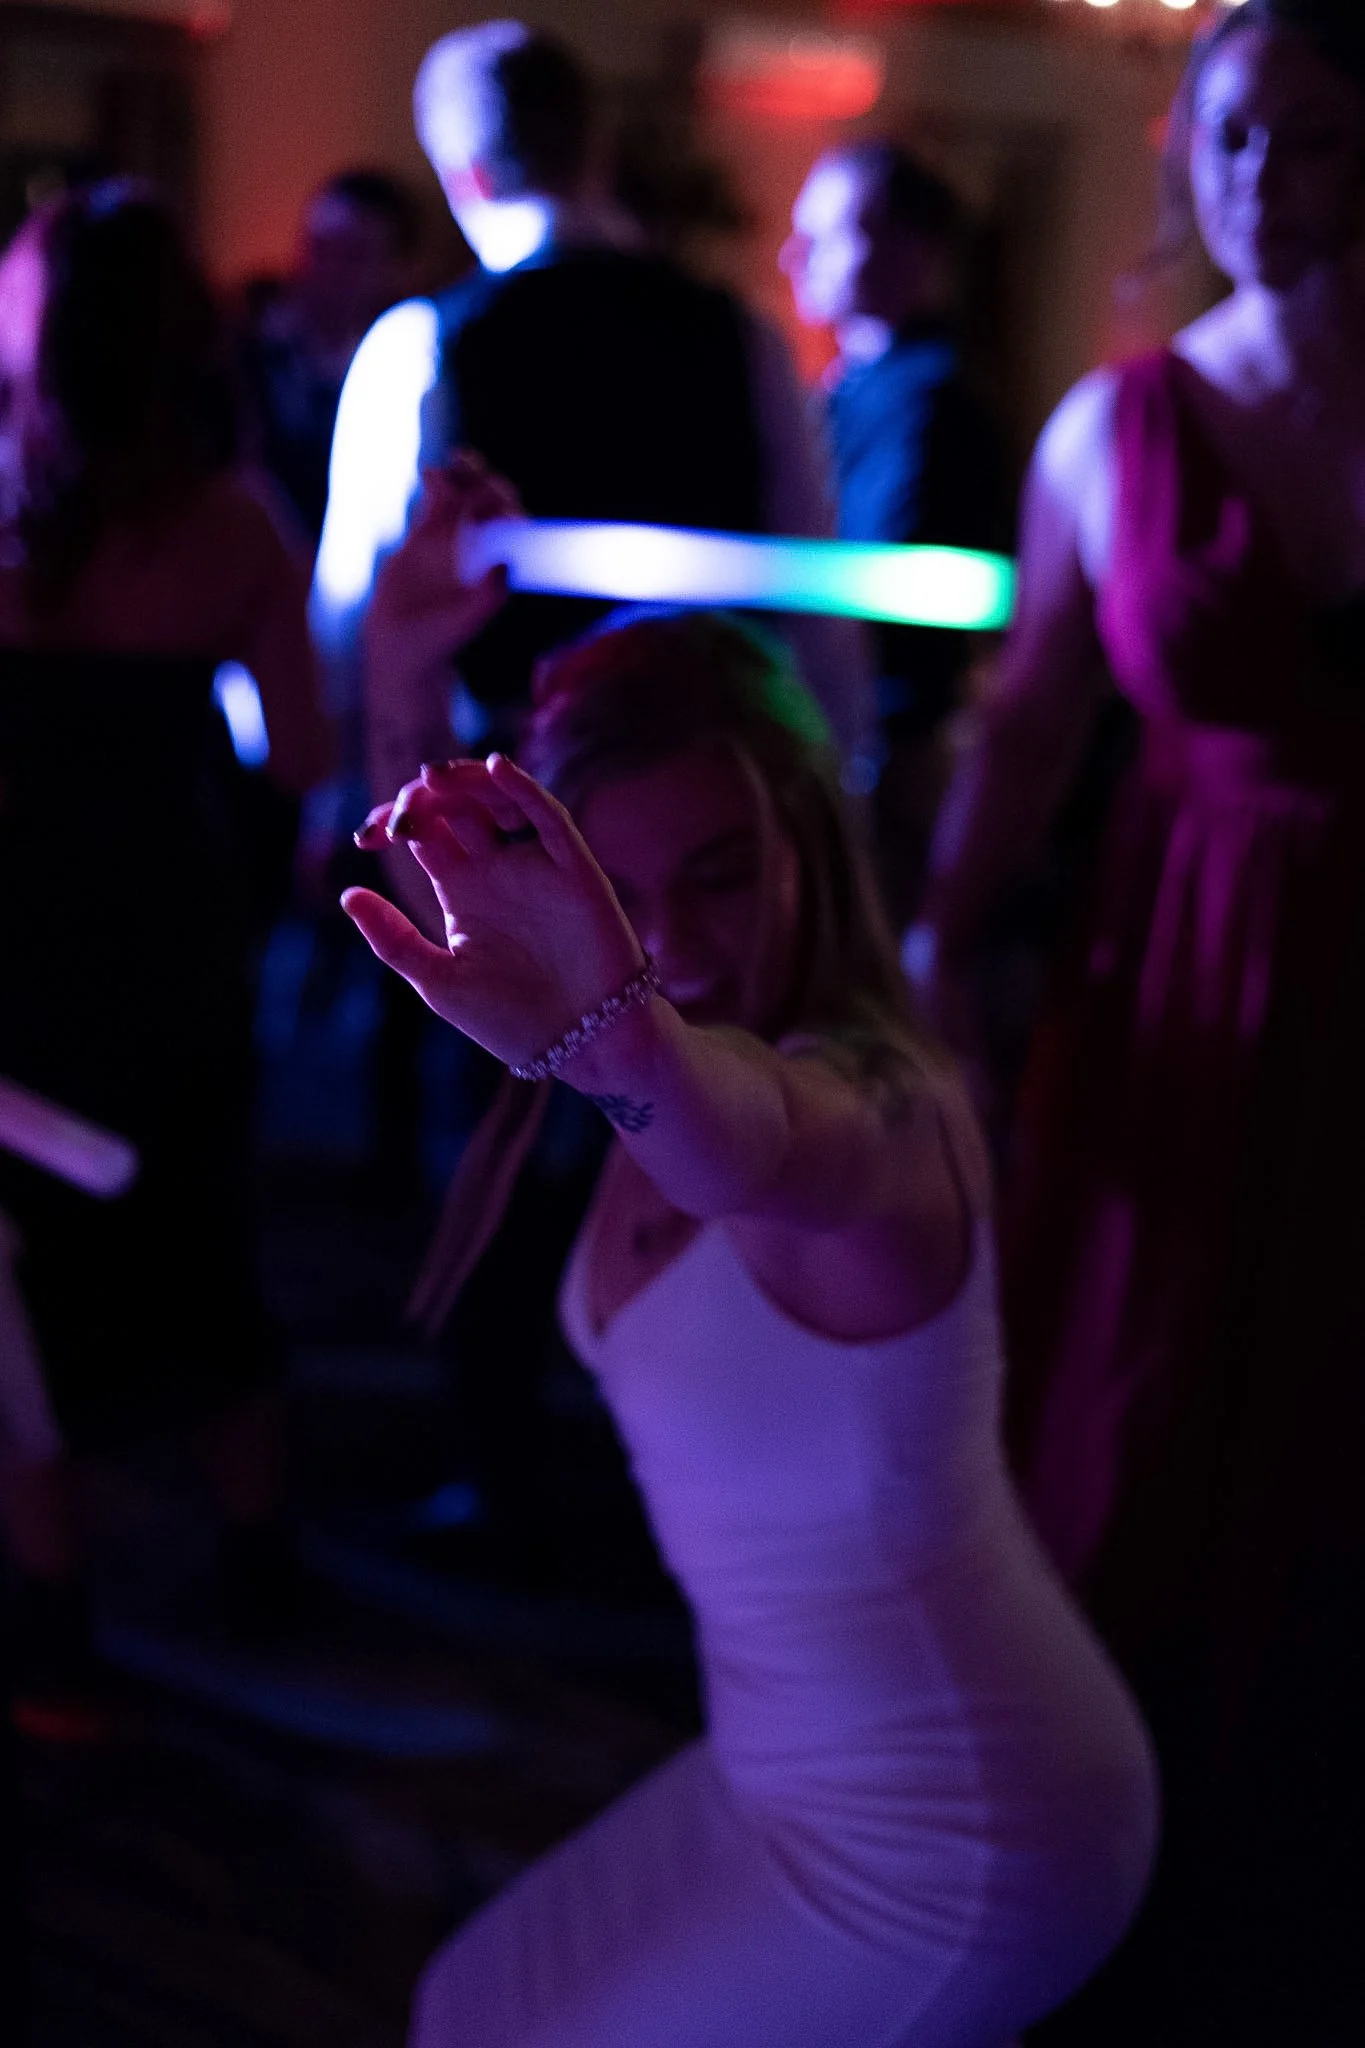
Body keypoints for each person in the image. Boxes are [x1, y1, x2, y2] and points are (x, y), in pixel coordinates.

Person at [341, 463, 1157, 2048]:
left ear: (811, 838)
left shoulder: (875, 1103)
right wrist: (396, 682)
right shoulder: (640, 1029)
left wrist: (611, 1024)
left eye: (722, 870)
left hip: (964, 1834)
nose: (678, 944)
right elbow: (470, 956)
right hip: (774, 1762)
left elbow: (741, 1140)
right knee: (462, 2007)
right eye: (621, 896)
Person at [903, 3, 1365, 2038]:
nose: (1262, 186)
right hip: (1187, 945)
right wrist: (933, 940)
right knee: (1149, 1383)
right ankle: (1108, 1858)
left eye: (1316, 142)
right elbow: (1029, 725)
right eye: (1234, 142)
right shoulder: (1116, 424)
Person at [0, 183, 330, 1700]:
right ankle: (256, 1564)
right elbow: (299, 756)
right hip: (170, 926)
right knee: (203, 1244)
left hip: (15, 938)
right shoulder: (230, 525)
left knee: (17, 1276)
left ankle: (55, 1613)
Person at [312, 17, 873, 784]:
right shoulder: (741, 331)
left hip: (516, 792)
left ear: (463, 177)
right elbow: (811, 582)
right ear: (595, 151)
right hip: (717, 785)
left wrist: (346, 792)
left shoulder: (420, 342)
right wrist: (832, 777)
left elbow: (358, 610)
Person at [781, 140, 1014, 922]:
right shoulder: (847, 386)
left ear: (915, 251)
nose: (796, 254)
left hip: (887, 759)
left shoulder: (932, 405)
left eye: (833, 232)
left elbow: (877, 599)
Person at [238, 168, 422, 552]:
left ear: (394, 270)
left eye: (354, 255)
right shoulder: (241, 345)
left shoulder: (401, 371)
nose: (329, 271)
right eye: (320, 248)